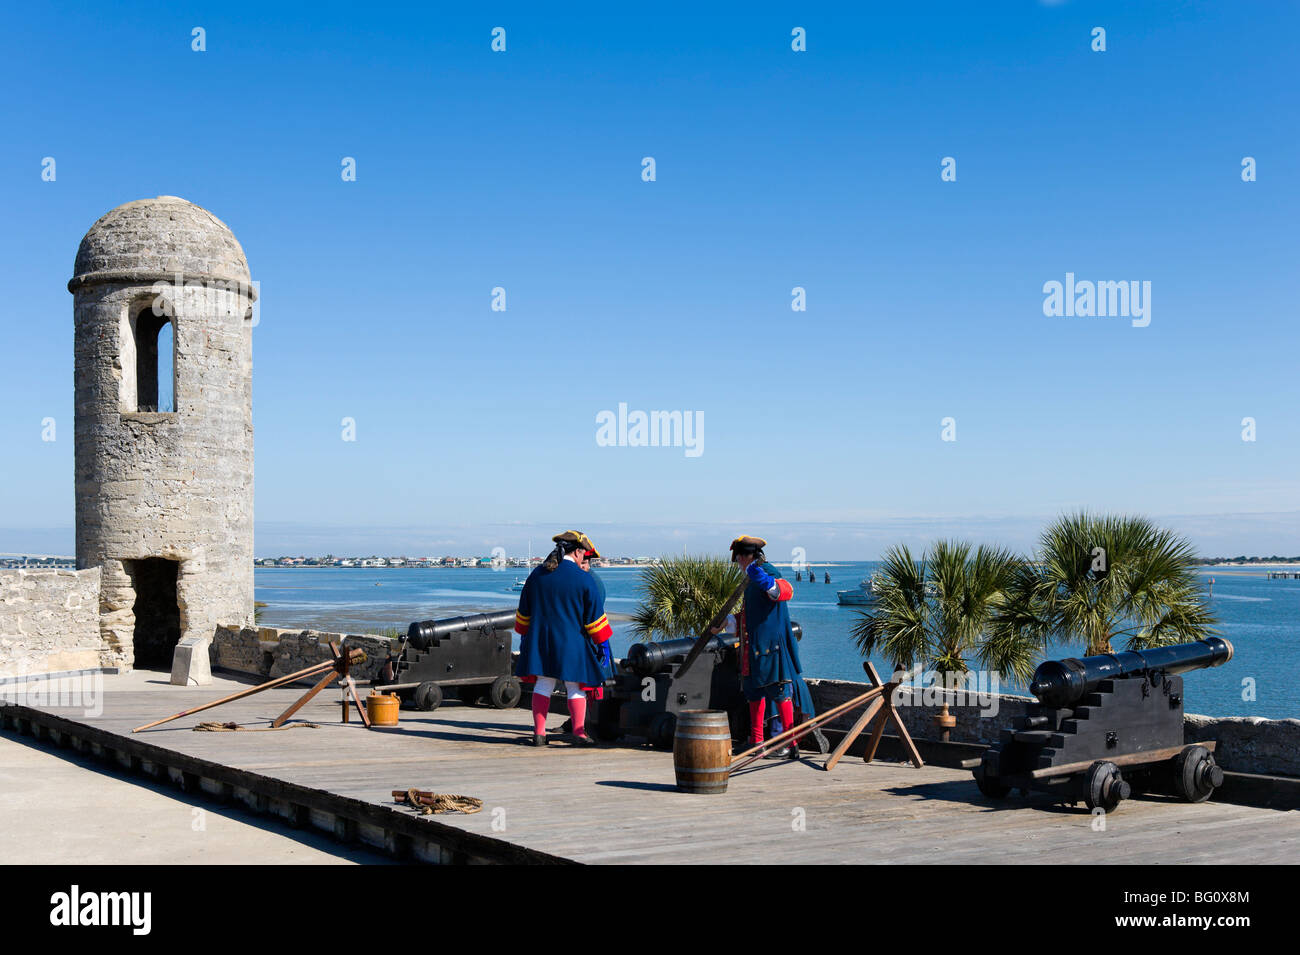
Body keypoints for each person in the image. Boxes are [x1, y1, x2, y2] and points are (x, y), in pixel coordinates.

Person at [514, 530, 612, 746]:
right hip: (572, 643)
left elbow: (523, 613)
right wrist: (602, 644)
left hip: (540, 641)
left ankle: (539, 734)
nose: (584, 558)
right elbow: (595, 620)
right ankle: (578, 733)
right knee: (575, 687)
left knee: (543, 685)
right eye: (584, 554)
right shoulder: (584, 579)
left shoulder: (536, 575)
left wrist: (523, 635)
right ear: (577, 552)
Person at [724, 535, 815, 758]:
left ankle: (790, 743)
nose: (738, 564)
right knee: (754, 694)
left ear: (746, 556)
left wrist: (767, 582)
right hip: (753, 645)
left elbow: (785, 591)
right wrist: (727, 622)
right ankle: (757, 743)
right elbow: (750, 614)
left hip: (770, 646)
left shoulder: (767, 571)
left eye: (738, 559)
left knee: (780, 692)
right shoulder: (749, 579)